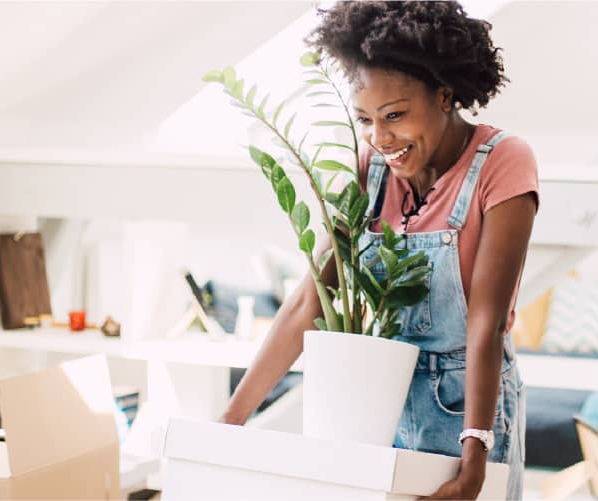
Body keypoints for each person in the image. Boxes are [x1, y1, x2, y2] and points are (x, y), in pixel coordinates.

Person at [220, 2, 539, 499]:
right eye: (365, 119)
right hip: (380, 401)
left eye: (395, 116)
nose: (380, 137)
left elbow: (486, 321)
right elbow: (310, 300)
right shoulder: (369, 166)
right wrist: (231, 419)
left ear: (445, 94)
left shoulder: (504, 162)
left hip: (469, 407)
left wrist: (473, 456)